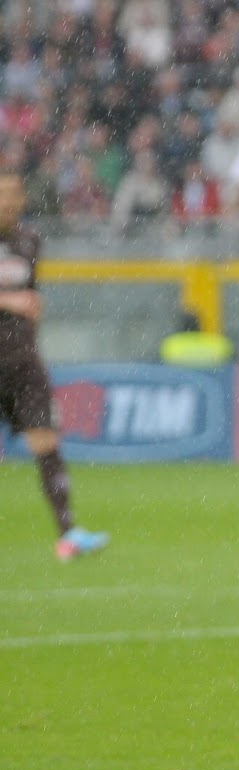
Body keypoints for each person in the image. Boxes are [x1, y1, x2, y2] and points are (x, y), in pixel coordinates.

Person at [0, 169, 109, 561]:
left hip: (22, 362)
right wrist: (8, 301)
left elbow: (30, 298)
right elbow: (17, 299)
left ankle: (68, 534)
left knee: (46, 443)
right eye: (2, 194)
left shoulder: (29, 241)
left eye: (14, 193)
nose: (8, 201)